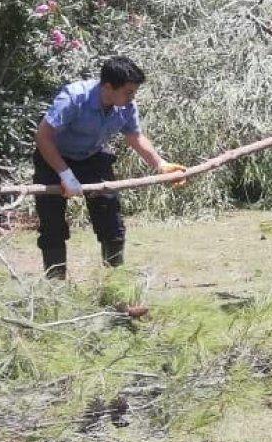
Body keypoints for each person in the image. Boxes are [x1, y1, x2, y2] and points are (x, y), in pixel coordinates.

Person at [33, 55, 186, 278]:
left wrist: (161, 165)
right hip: (53, 159)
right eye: (129, 92)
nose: (133, 97)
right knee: (52, 226)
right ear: (108, 86)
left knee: (111, 219)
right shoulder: (74, 98)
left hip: (93, 158)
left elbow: (135, 137)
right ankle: (55, 290)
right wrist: (65, 174)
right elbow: (43, 137)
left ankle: (115, 283)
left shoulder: (126, 105)